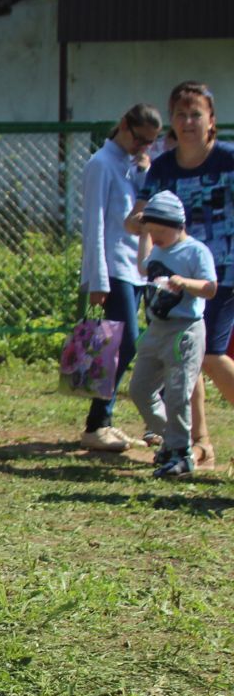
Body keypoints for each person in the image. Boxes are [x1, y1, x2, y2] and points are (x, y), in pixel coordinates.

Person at [130, 82, 234, 471]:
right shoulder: (164, 167)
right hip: (174, 282)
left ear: (212, 122)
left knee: (210, 355)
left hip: (222, 275)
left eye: (196, 114)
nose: (188, 121)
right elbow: (137, 215)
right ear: (171, 123)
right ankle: (199, 442)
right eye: (180, 114)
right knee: (184, 361)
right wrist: (140, 224)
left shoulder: (227, 159)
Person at [79, 104, 165, 453]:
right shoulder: (101, 164)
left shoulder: (133, 165)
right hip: (113, 268)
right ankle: (96, 423)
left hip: (138, 267)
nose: (144, 147)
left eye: (151, 142)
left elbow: (143, 212)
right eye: (141, 139)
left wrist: (144, 172)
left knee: (128, 345)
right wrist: (97, 280)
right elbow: (95, 224)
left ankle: (106, 420)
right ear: (124, 126)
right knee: (122, 342)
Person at [127, 190, 219, 478]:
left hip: (185, 332)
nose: (154, 237)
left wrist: (185, 282)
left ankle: (181, 456)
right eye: (151, 231)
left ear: (172, 225)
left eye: (157, 231)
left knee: (178, 393)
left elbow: (210, 287)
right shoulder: (157, 247)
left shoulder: (195, 250)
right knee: (140, 389)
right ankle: (172, 440)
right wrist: (143, 235)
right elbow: (143, 268)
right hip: (156, 329)